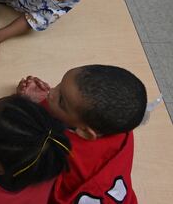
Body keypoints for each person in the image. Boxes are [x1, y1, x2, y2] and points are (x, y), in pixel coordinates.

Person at [17, 65, 147, 203]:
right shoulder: (119, 125)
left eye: (61, 100)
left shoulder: (60, 147)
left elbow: (15, 143)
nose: (51, 92)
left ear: (85, 132)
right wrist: (44, 101)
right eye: (60, 85)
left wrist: (22, 106)